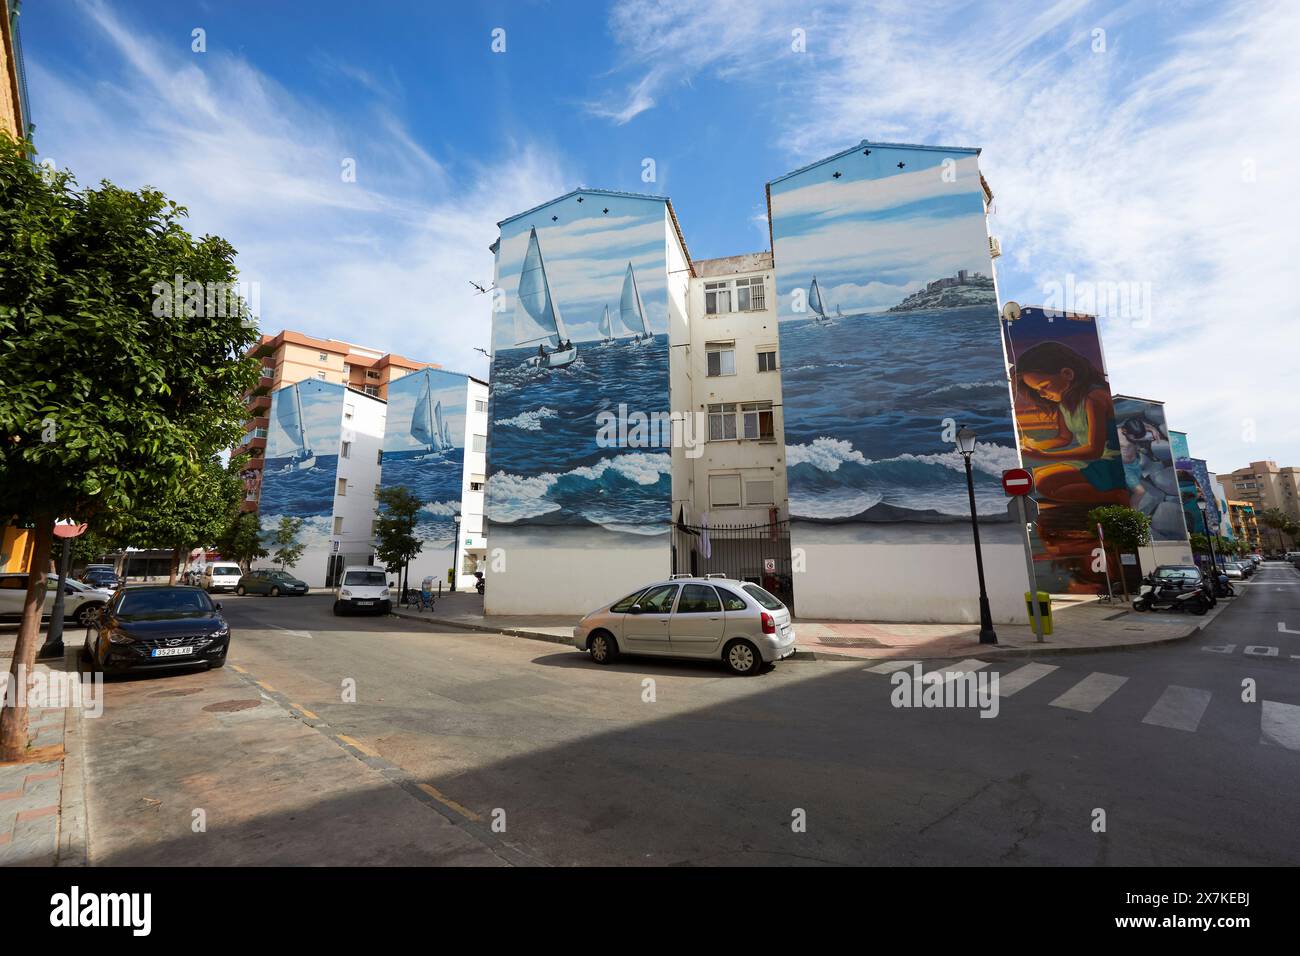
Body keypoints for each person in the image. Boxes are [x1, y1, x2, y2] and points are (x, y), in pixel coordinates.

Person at [1013, 341, 1129, 504]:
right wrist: (1035, 445)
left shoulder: (1094, 397)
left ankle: (1116, 496)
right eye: (1036, 390)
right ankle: (1109, 494)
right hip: (1091, 460)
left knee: (1044, 483)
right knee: (1035, 478)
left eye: (1044, 386)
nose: (1041, 394)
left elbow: (1094, 450)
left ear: (1067, 374)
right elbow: (1063, 438)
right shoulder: (1064, 402)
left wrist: (1045, 456)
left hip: (1111, 461)